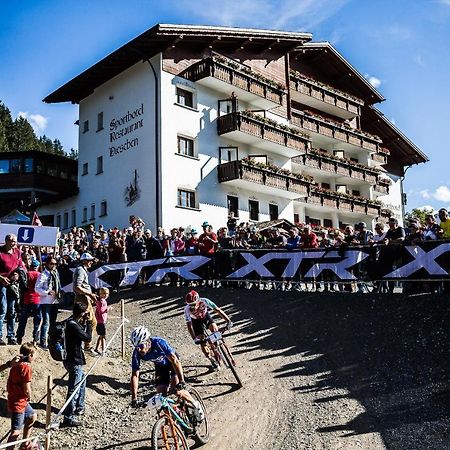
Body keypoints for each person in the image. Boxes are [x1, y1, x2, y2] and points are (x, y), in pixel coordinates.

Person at [129, 326, 204, 421]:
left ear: (147, 342)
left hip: (172, 363)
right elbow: (135, 375)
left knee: (177, 391)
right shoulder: (137, 353)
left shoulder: (159, 343)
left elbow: (175, 361)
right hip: (160, 367)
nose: (139, 349)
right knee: (161, 396)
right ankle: (174, 420)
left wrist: (182, 381)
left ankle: (195, 404)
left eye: (140, 346)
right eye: (136, 347)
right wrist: (134, 398)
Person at [62, 302, 93, 427]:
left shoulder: (69, 321)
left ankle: (79, 407)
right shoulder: (73, 325)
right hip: (74, 360)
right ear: (82, 313)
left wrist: (84, 322)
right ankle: (68, 417)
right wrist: (90, 324)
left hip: (68, 359)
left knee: (82, 380)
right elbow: (87, 338)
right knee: (73, 389)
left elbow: (79, 332)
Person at [184, 290, 232, 370]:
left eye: (193, 304)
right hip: (196, 322)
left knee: (215, 329)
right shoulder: (187, 309)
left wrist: (228, 321)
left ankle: (220, 345)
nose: (192, 306)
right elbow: (189, 326)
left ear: (198, 300)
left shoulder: (205, 301)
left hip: (206, 317)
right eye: (190, 305)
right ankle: (212, 361)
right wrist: (195, 339)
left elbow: (218, 310)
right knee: (202, 343)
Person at [6, 342, 38, 449]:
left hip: (18, 399)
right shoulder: (26, 368)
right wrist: (29, 395)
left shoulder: (15, 364)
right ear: (30, 355)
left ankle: (25, 444)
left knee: (32, 416)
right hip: (18, 402)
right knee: (15, 432)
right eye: (34, 354)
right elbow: (26, 387)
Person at [0, 234, 25, 345]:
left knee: (12, 310)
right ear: (6, 241)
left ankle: (11, 336)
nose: (14, 243)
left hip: (13, 285)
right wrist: (1, 277)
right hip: (1, 284)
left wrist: (18, 275)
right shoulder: (0, 252)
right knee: (2, 309)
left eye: (15, 241)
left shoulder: (17, 252)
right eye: (11, 241)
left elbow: (22, 267)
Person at [72, 253, 98, 354]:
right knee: (87, 322)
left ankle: (86, 344)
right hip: (82, 298)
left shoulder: (82, 270)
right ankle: (86, 345)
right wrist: (89, 294)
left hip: (85, 297)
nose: (91, 262)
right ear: (83, 261)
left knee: (89, 321)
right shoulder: (80, 270)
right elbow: (77, 287)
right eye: (89, 260)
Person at [35, 257, 62, 350]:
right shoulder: (43, 275)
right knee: (46, 322)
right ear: (47, 264)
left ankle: (51, 341)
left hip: (54, 300)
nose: (53, 265)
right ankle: (43, 341)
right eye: (51, 263)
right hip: (46, 301)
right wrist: (47, 292)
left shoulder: (56, 273)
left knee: (53, 323)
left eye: (55, 264)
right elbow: (37, 288)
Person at [16, 260, 41, 346]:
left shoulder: (27, 274)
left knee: (23, 320)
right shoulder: (39, 275)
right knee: (37, 320)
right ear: (37, 267)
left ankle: (19, 337)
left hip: (27, 299)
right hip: (37, 299)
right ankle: (35, 338)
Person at [94, 287, 112, 355]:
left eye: (107, 293)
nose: (106, 295)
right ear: (100, 294)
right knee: (103, 336)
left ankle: (97, 348)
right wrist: (108, 308)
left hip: (100, 321)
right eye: (104, 293)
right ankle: (103, 351)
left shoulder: (100, 300)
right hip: (101, 321)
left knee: (101, 335)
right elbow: (101, 311)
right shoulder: (102, 301)